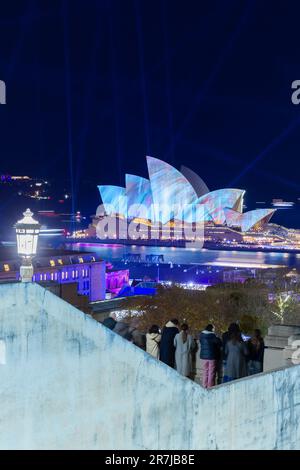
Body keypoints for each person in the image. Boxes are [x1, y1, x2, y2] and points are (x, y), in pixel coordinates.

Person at [199, 324, 222, 388]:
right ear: (211, 329)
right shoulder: (212, 336)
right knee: (211, 372)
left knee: (205, 371)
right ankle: (210, 387)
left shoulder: (201, 335)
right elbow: (219, 343)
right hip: (212, 356)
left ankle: (204, 386)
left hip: (203, 356)